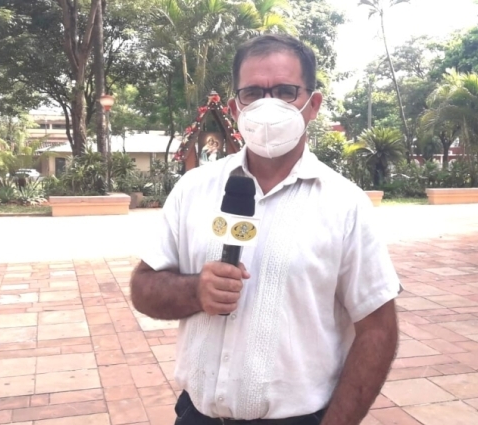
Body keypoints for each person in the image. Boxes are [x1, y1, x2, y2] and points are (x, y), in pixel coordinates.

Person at [130, 34, 401, 425]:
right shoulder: (194, 189)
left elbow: (378, 329)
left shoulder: (345, 204)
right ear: (234, 107)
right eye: (253, 93)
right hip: (197, 416)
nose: (268, 105)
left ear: (313, 105)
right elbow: (143, 287)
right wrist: (195, 290)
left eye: (286, 92)